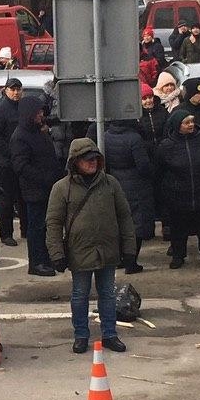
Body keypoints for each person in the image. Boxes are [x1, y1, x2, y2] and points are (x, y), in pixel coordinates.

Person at [45, 138, 134, 354]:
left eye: (95, 158)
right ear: (75, 162)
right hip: (79, 251)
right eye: (87, 159)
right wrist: (56, 253)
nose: (92, 162)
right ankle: (81, 336)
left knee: (108, 294)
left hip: (107, 250)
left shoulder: (110, 184)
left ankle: (110, 334)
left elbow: (124, 216)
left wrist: (130, 248)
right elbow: (53, 223)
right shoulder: (61, 188)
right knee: (79, 295)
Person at [155, 108, 200, 269]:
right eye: (186, 122)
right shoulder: (166, 146)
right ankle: (178, 256)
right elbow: (159, 171)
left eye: (192, 121)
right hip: (177, 195)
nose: (191, 125)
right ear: (177, 125)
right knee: (178, 229)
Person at [9, 98, 62, 276]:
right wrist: (45, 178)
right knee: (36, 227)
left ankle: (46, 259)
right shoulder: (20, 136)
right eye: (38, 112)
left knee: (47, 226)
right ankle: (37, 262)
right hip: (35, 190)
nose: (41, 115)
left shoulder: (38, 131)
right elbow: (20, 166)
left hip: (48, 188)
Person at [101, 119, 154, 274]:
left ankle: (119, 259)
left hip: (115, 181)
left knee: (119, 221)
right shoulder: (134, 138)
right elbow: (143, 165)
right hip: (136, 184)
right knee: (136, 223)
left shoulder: (106, 136)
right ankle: (131, 262)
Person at [0, 77, 26, 247]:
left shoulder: (24, 108)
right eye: (13, 89)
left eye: (18, 89)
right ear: (6, 91)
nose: (16, 92)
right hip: (6, 164)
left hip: (24, 161)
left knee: (24, 197)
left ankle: (26, 229)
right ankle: (6, 233)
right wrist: (10, 152)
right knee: (7, 200)